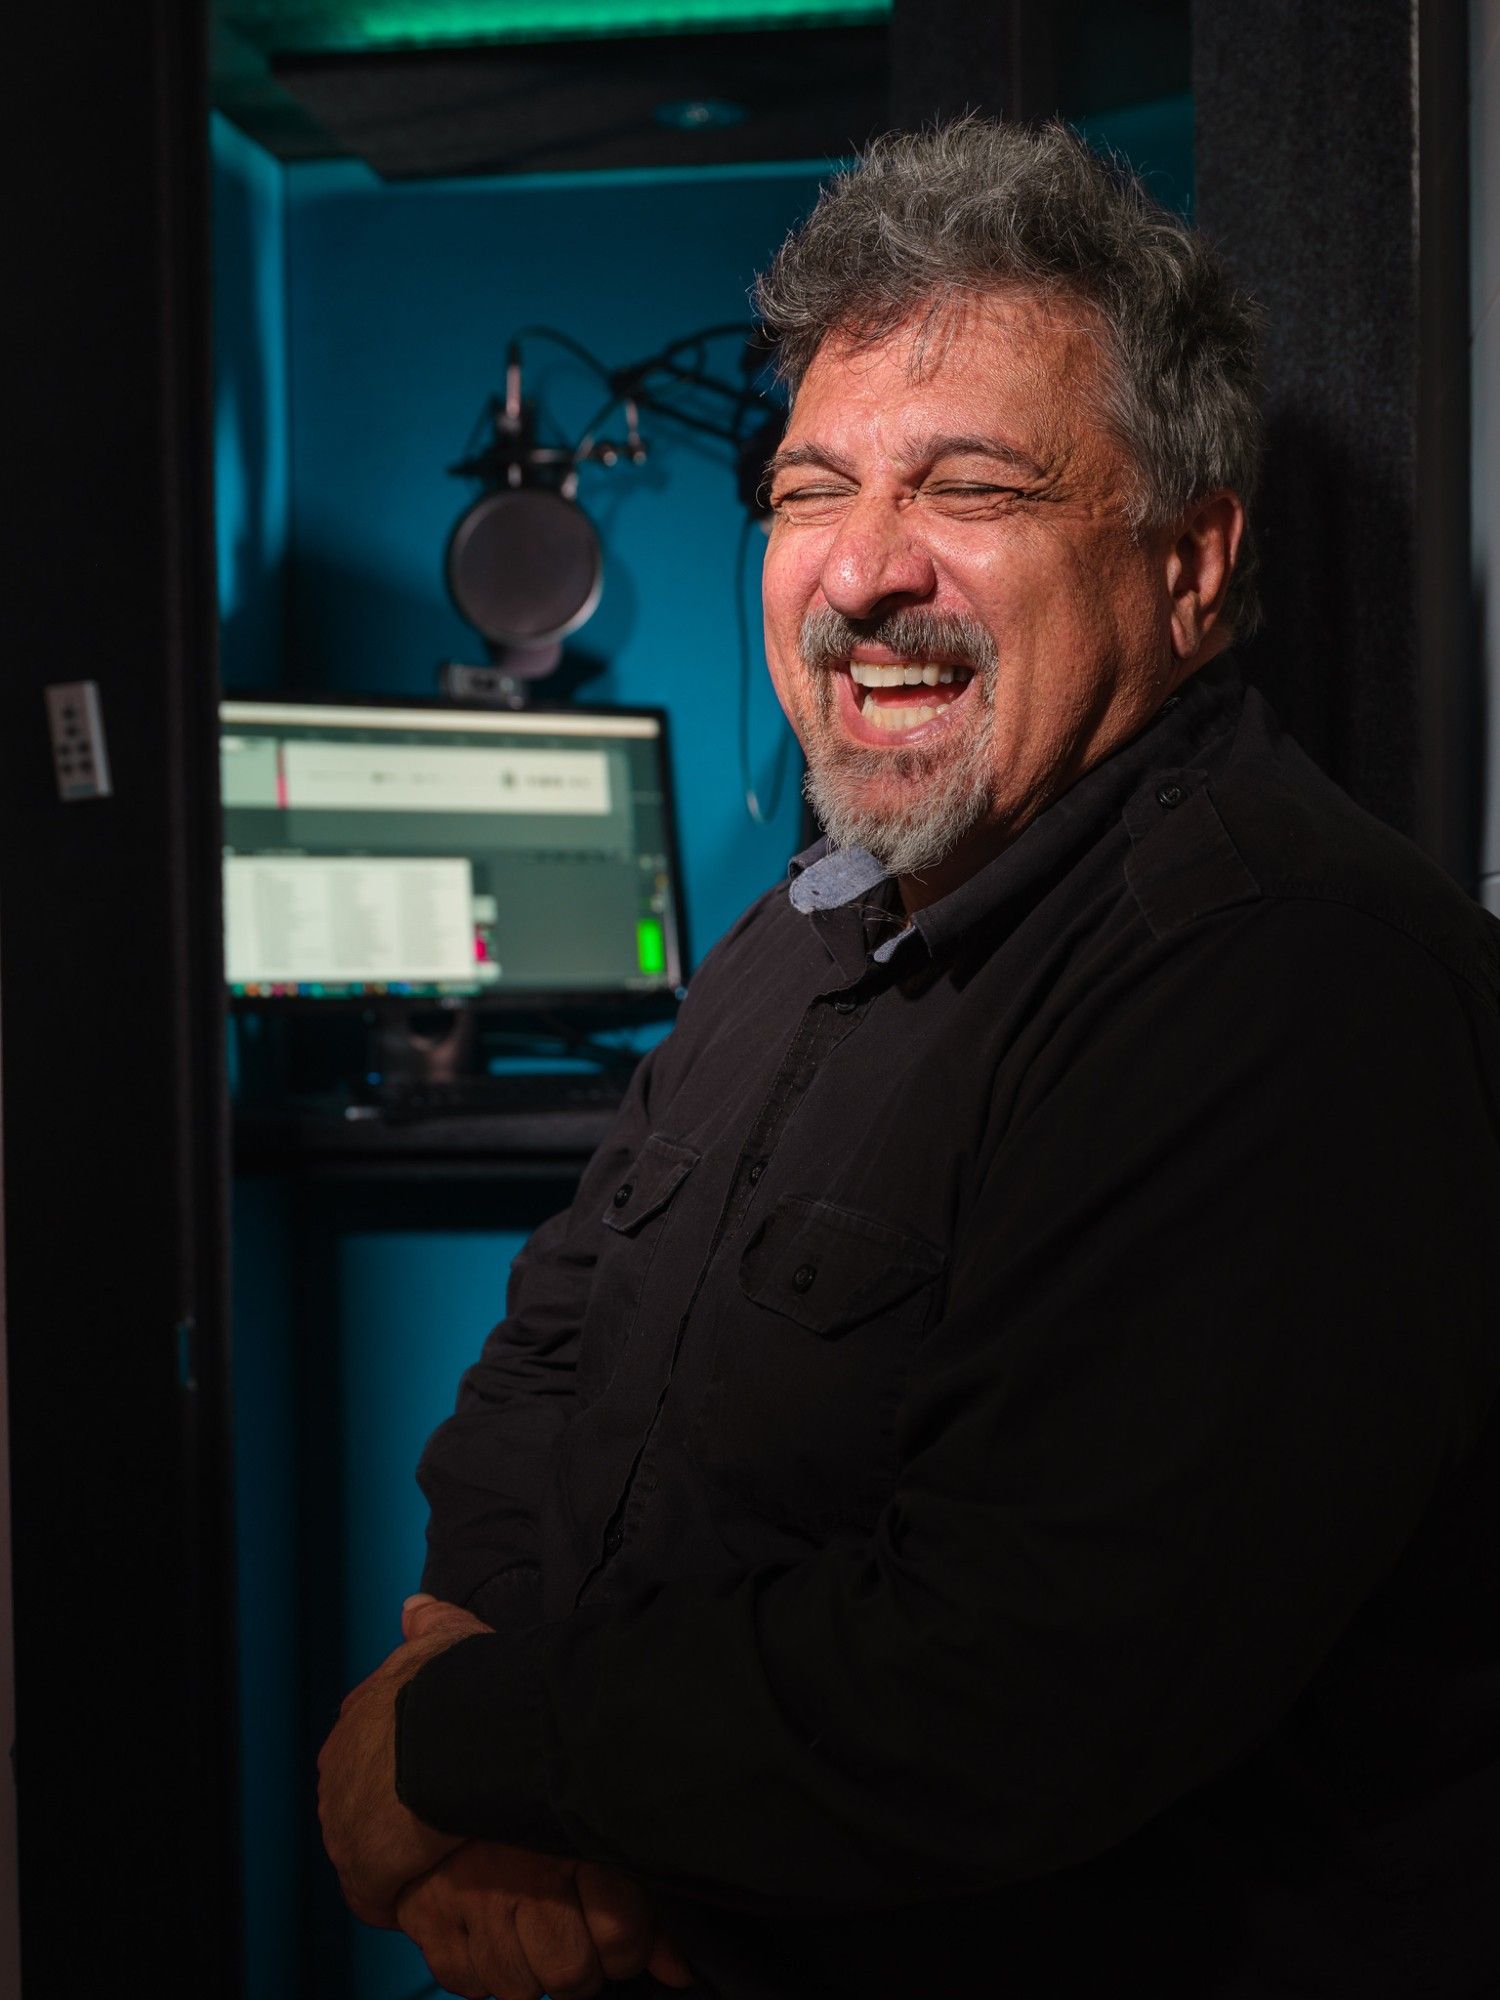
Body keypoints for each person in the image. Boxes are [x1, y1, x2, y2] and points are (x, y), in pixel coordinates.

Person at [318, 118, 1500, 1999]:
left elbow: (1010, 1683)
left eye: (972, 489)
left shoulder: (1292, 980)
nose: (862, 572)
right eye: (810, 489)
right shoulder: (825, 906)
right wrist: (501, 1770)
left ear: (1191, 568)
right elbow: (556, 1341)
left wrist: (446, 1748)